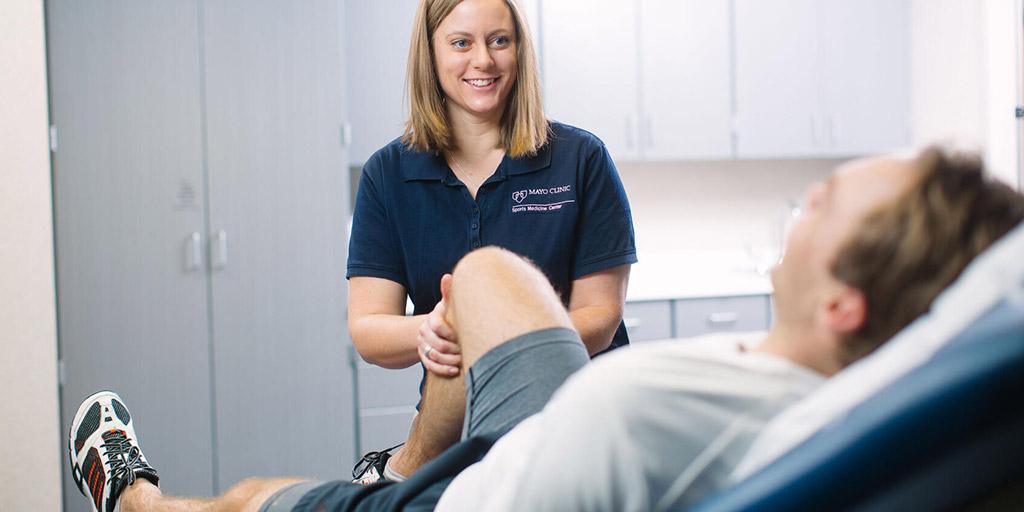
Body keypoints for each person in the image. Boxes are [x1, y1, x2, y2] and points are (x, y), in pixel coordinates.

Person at [68, 146, 1024, 511]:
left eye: (821, 202)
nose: (803, 201)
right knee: (484, 276)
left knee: (256, 497)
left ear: (845, 305)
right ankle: (400, 466)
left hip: (487, 496)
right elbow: (374, 326)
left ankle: (139, 503)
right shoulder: (819, 381)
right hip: (539, 436)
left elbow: (602, 324)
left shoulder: (664, 418)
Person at [345, 0, 637, 483]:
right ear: (430, 54)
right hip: (453, 435)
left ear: (519, 51)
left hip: (577, 427)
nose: (483, 60)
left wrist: (482, 330)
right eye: (461, 42)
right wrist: (433, 329)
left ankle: (395, 476)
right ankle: (395, 475)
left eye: (499, 40)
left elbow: (601, 319)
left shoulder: (579, 159)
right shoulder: (388, 174)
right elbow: (369, 329)